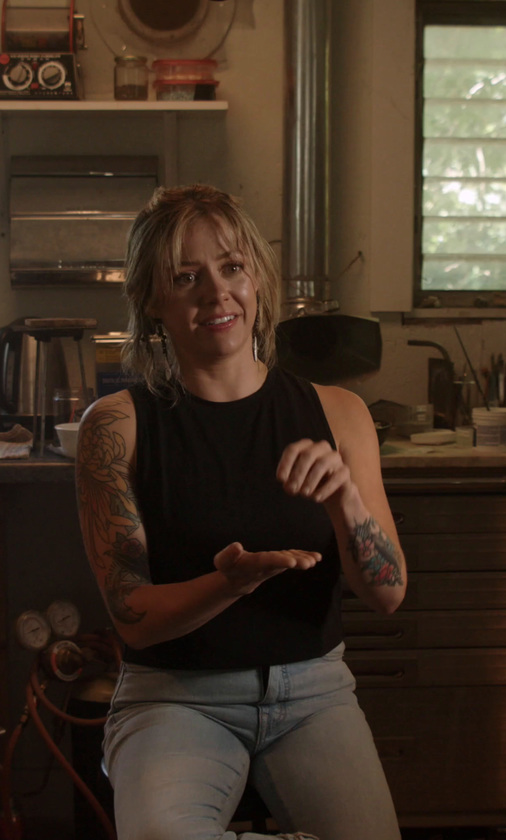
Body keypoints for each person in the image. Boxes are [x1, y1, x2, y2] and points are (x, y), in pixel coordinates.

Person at [73, 184, 406, 840]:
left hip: (313, 693)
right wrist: (231, 582)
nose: (216, 294)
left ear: (257, 279)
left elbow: (389, 593)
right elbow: (133, 619)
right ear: (151, 299)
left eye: (231, 268)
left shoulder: (340, 413)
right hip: (174, 695)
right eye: (186, 277)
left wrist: (346, 501)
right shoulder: (117, 427)